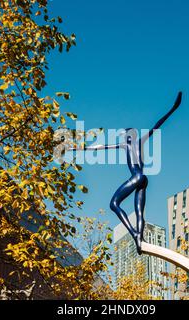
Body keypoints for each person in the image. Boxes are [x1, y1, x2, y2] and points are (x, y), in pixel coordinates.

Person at [69, 92, 182, 254]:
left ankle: (134, 233)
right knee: (140, 213)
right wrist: (173, 109)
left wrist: (78, 148)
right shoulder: (140, 142)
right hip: (144, 179)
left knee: (114, 204)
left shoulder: (127, 145)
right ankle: (139, 240)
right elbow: (156, 127)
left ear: (129, 136)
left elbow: (100, 147)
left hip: (136, 177)